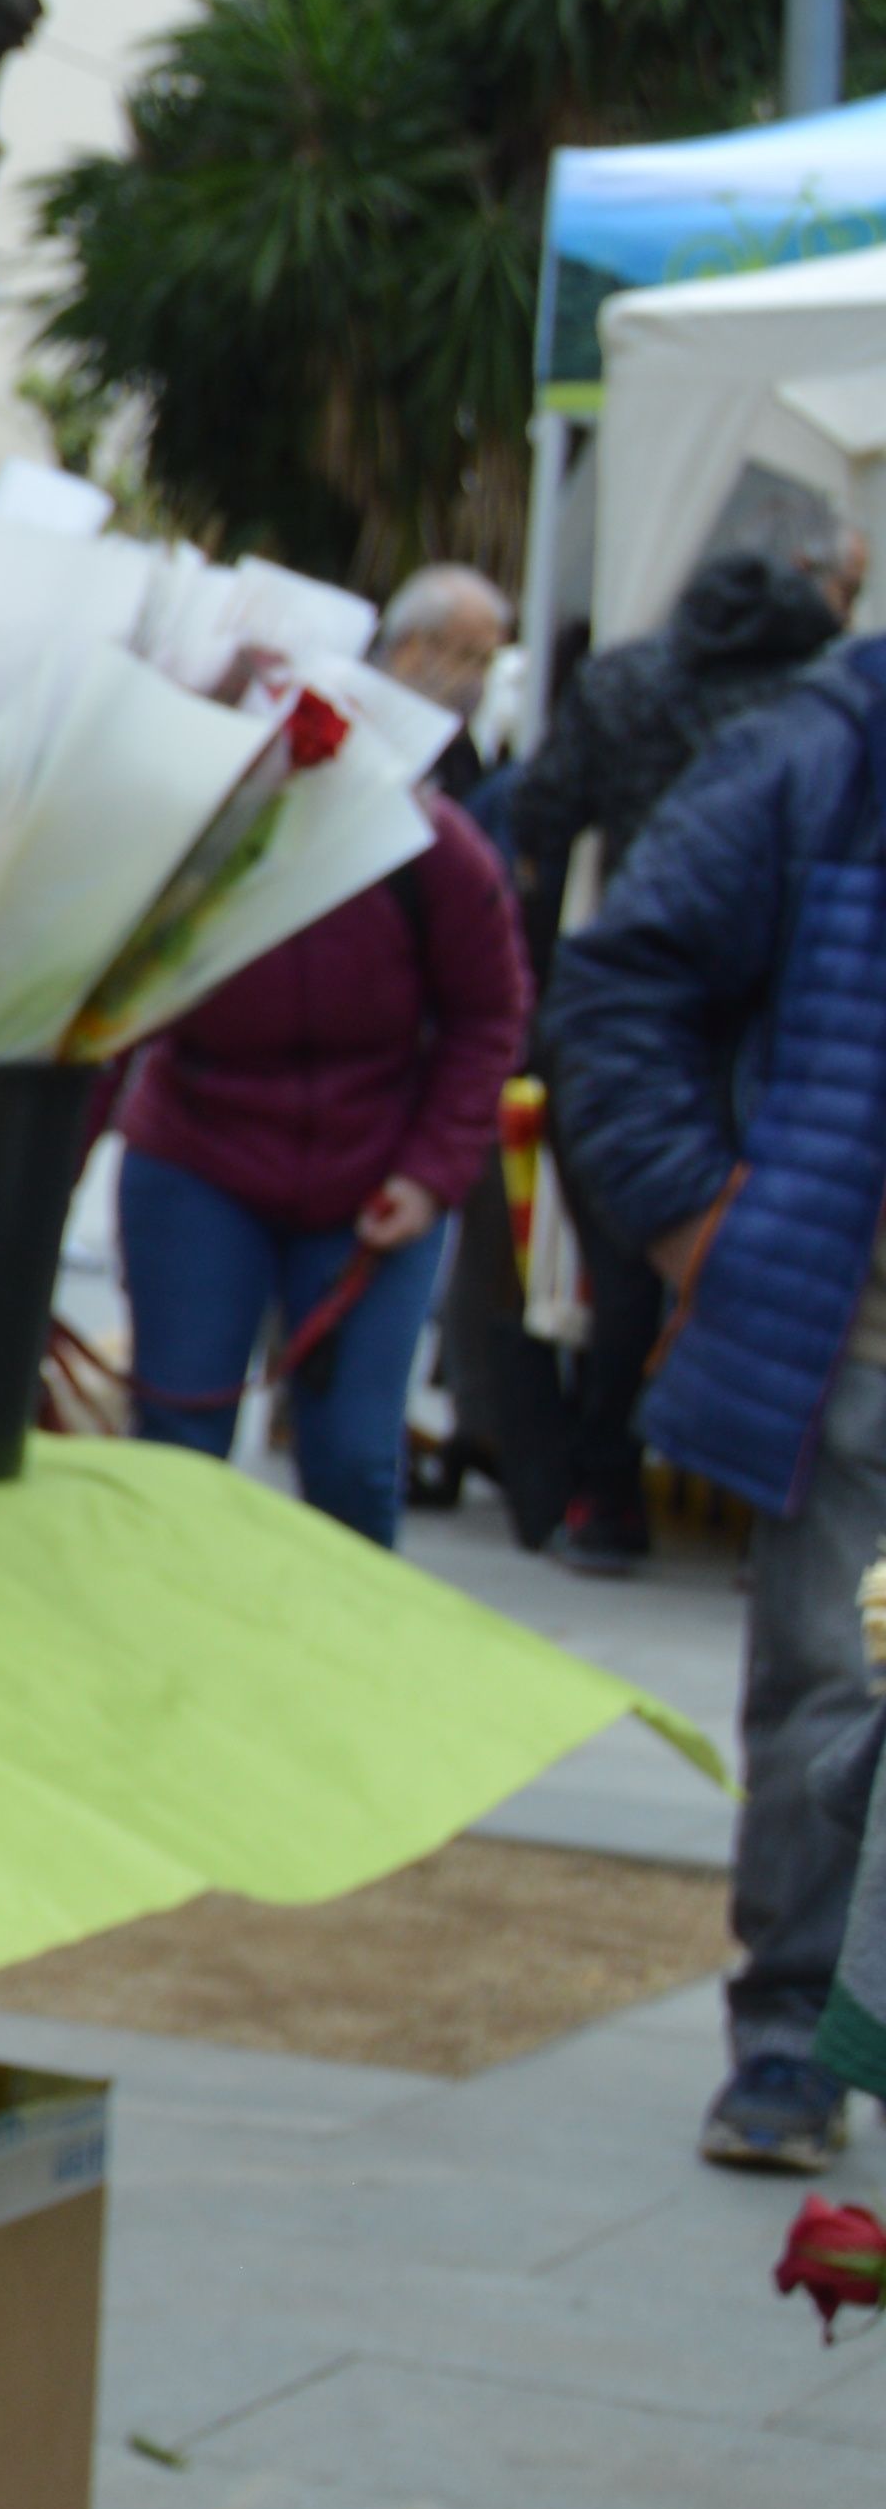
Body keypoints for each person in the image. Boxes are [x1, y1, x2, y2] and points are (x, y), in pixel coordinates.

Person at [544, 621, 886, 2172]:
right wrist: (696, 1221)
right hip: (860, 1333)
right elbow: (616, 985)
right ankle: (792, 2039)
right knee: (837, 1684)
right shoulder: (816, 756)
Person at [511, 524, 863, 1568]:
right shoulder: (818, 718)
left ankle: (608, 1497)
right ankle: (699, 1489)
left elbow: (538, 814)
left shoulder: (633, 683)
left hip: (672, 1017)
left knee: (623, 1284)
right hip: (763, 1035)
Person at [110, 780, 526, 1548]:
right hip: (198, 1155)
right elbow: (103, 1013)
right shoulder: (189, 833)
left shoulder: (433, 846)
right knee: (176, 1444)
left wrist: (430, 1173)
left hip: (376, 1167)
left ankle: (349, 1654)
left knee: (356, 1460)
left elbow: (491, 1012)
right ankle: (159, 1637)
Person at [374, 560, 510, 801]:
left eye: (486, 662)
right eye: (466, 656)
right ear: (411, 648)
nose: (477, 677)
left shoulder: (459, 749)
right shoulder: (354, 726)